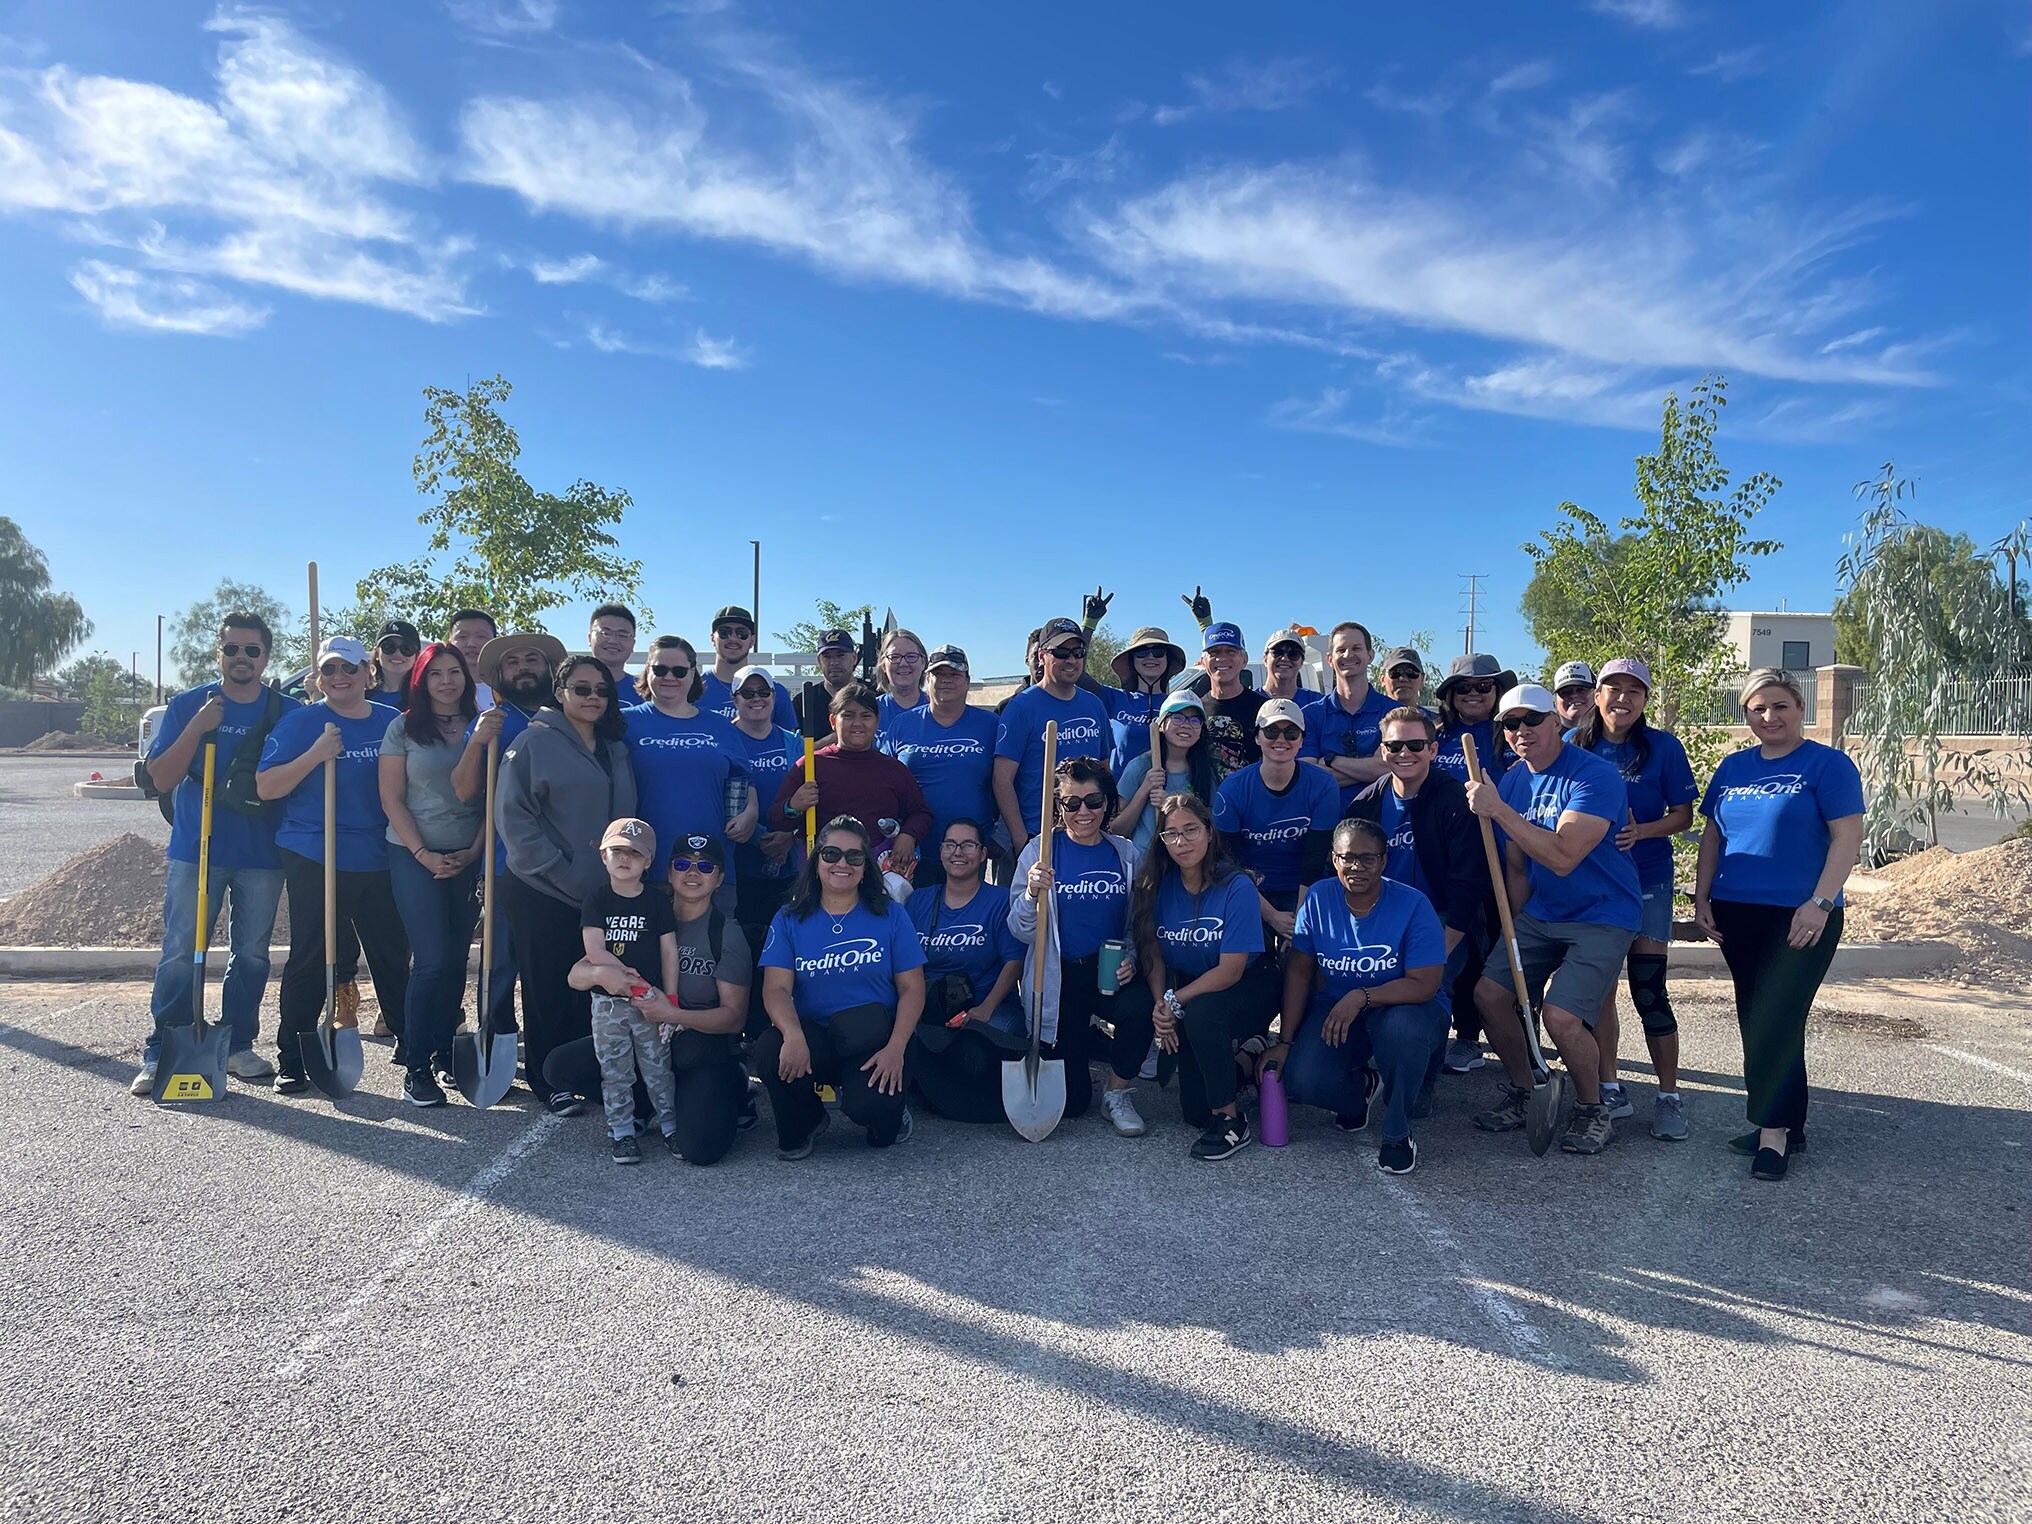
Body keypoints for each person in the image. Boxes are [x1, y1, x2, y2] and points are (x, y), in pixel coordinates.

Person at [1695, 668, 1865, 1182]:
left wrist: (1820, 901)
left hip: (1800, 914)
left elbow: (1846, 840)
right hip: (1736, 909)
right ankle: (1790, 1121)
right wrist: (1701, 896)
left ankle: (1772, 1135)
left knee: (1775, 1015)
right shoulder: (1732, 767)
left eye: (1780, 706)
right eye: (1757, 709)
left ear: (1800, 708)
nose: (1769, 717)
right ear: (1746, 714)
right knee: (1759, 1015)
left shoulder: (1827, 765)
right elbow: (1713, 837)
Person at [1464, 682, 1643, 1157]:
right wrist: (1515, 927)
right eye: (1510, 723)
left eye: (1532, 720)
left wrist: (1498, 810)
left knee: (1561, 1018)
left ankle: (1592, 1108)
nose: (1521, 731)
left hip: (1603, 914)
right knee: (1490, 994)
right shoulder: (1514, 781)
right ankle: (1528, 1088)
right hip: (1542, 913)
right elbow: (1519, 867)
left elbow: (1564, 856)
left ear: (1556, 722)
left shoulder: (1595, 776)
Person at [131, 612, 300, 1095]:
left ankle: (238, 1043)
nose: (242, 658)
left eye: (252, 650)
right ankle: (163, 1048)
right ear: (218, 653)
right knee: (181, 952)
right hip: (196, 849)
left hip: (262, 853)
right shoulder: (189, 705)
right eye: (232, 649)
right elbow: (160, 779)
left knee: (250, 954)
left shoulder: (286, 711)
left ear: (267, 656)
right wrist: (198, 727)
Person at [257, 636, 412, 1094]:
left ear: (369, 672)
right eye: (329, 670)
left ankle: (415, 1049)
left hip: (380, 854)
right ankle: (294, 1054)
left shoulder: (392, 722)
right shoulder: (301, 723)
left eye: (349, 668)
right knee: (313, 953)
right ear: (318, 677)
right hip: (315, 851)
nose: (339, 677)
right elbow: (267, 787)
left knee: (390, 953)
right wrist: (315, 755)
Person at [545, 832, 753, 1165]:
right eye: (683, 864)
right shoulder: (641, 909)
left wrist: (670, 1013)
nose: (693, 873)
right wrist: (601, 975)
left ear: (720, 879)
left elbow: (734, 1018)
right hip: (637, 1027)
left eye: (705, 867)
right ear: (668, 873)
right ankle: (639, 1104)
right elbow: (576, 974)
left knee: (701, 1149)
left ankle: (733, 1089)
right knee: (559, 1067)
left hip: (696, 1044)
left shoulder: (725, 932)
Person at [1267, 817, 1450, 1175]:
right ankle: (1359, 1092)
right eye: (1347, 857)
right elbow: (1300, 971)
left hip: (1405, 1005)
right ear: (1334, 859)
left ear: (1384, 861)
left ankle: (1397, 1134)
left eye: (1368, 858)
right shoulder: (1319, 897)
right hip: (1337, 1006)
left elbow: (1425, 983)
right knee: (1303, 1079)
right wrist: (1285, 1041)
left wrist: (1361, 996)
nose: (1356, 867)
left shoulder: (1413, 904)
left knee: (1402, 1033)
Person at [496, 654, 637, 1114]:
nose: (593, 697)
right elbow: (513, 818)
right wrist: (563, 871)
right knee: (547, 987)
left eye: (601, 690)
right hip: (543, 888)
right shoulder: (532, 742)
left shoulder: (614, 745)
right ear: (560, 693)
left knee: (596, 988)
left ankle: (587, 1073)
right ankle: (547, 1079)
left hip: (601, 892)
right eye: (582, 689)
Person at [1570, 658, 1699, 1140]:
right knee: (1599, 991)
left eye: (1634, 691)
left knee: (1649, 990)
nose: (1622, 699)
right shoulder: (1572, 745)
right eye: (1612, 688)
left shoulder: (1664, 748)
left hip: (1646, 878)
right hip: (1591, 885)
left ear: (1645, 699)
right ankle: (1610, 1086)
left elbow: (1683, 816)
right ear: (1596, 694)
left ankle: (1668, 1097)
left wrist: (1640, 831)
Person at [755, 816, 925, 1156]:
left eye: (854, 856)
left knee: (872, 1116)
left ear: (866, 867)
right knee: (768, 1049)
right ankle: (809, 1119)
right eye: (831, 854)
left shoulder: (890, 915)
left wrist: (897, 1048)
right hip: (814, 1035)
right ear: (816, 860)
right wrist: (791, 1034)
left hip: (874, 1038)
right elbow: (775, 989)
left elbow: (913, 989)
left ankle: (893, 1111)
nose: (841, 864)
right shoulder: (789, 917)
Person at [1346, 706, 1487, 1110]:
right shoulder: (1364, 806)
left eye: (1415, 744)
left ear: (1433, 749)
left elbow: (1467, 886)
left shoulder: (1457, 800)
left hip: (1441, 920)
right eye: (1394, 745)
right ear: (1383, 750)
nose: (1404, 752)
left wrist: (1437, 951)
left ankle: (1420, 1077)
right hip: (1379, 921)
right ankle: (1357, 1067)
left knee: (1427, 989)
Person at [1008, 757, 1147, 1134]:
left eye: (1093, 801)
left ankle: (1117, 1091)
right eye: (1071, 803)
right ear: (1058, 806)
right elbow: (1020, 931)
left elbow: (1138, 923)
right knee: (1072, 1106)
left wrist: (1132, 958)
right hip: (1059, 978)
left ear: (1108, 804)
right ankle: (1083, 1045)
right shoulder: (1039, 852)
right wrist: (1031, 896)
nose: (1082, 812)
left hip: (1107, 971)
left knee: (1141, 1006)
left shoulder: (1125, 854)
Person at [1133, 794, 1273, 1160]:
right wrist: (1160, 1003)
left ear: (1209, 832)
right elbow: (1154, 954)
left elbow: (1231, 970)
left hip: (1249, 984)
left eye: (1191, 830)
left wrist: (1176, 1002)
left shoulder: (1237, 886)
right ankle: (1247, 1060)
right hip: (1195, 989)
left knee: (1202, 1013)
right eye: (1171, 834)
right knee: (1195, 1113)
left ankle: (1232, 1122)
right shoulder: (1158, 885)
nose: (1181, 842)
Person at [379, 642, 484, 1107]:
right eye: (435, 673)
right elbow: (392, 799)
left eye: (454, 671)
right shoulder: (402, 728)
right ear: (420, 680)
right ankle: (416, 1066)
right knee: (433, 959)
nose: (446, 680)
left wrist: (472, 852)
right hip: (412, 853)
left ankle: (445, 1048)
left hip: (468, 854)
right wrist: (422, 853)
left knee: (457, 957)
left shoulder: (483, 726)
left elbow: (494, 798)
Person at [453, 631, 567, 1043]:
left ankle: (553, 1048)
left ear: (549, 669)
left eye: (531, 660)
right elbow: (465, 790)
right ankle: (495, 1038)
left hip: (566, 864)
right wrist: (478, 741)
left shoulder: (571, 716)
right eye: (513, 661)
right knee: (499, 964)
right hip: (506, 863)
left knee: (556, 964)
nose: (523, 667)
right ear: (500, 673)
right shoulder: (493, 723)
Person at [567, 818, 682, 1164]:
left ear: (648, 862)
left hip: (651, 1002)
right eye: (617, 850)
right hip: (609, 1005)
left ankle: (672, 1127)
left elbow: (668, 951)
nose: (625, 858)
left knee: (658, 1068)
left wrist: (670, 1000)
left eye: (635, 853)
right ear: (604, 856)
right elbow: (595, 951)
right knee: (615, 1071)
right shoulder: (597, 900)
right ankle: (621, 1132)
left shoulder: (658, 901)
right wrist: (625, 980)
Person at [903, 818, 1029, 1123]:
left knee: (972, 1053)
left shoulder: (1001, 901)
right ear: (941, 850)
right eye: (950, 844)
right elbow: (903, 964)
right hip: (931, 1008)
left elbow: (1015, 962)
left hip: (989, 1009)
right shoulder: (918, 900)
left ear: (983, 853)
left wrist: (985, 1009)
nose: (958, 852)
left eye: (968, 845)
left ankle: (937, 1086)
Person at [623, 634, 754, 892]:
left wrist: (751, 814)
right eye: (660, 669)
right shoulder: (624, 723)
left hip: (710, 868)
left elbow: (743, 780)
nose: (669, 677)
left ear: (693, 674)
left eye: (680, 670)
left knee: (716, 933)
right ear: (648, 671)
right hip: (645, 869)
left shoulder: (720, 726)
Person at [770, 682, 932, 880]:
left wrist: (909, 835)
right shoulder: (811, 765)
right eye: (848, 715)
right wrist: (793, 806)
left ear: (877, 721)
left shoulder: (893, 769)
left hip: (876, 875)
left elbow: (921, 813)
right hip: (822, 875)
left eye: (866, 716)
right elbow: (777, 818)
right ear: (833, 721)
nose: (857, 723)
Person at [1212, 698, 1339, 939]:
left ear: (1302, 740)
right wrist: (1271, 916)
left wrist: (1297, 922)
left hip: (1302, 888)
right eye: (1271, 731)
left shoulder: (1323, 785)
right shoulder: (1233, 789)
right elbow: (1225, 859)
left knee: (1303, 951)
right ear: (1257, 737)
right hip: (1247, 887)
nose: (1281, 740)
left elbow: (1315, 859)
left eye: (1291, 733)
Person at [992, 617, 1112, 856]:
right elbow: (1002, 780)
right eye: (1060, 652)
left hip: (1086, 834)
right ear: (1041, 657)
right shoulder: (1021, 708)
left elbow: (1104, 770)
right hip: (1039, 837)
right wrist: (1020, 839)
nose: (1071, 660)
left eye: (1078, 652)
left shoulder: (1094, 705)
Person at [885, 645, 998, 887]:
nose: (946, 681)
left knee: (965, 920)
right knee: (916, 919)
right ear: (927, 680)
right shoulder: (903, 724)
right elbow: (883, 784)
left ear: (967, 681)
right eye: (939, 675)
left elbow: (1007, 780)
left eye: (954, 675)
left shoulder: (991, 725)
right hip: (913, 850)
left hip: (970, 852)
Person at [721, 663, 804, 971]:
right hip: (737, 865)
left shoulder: (793, 743)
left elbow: (808, 797)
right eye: (747, 693)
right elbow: (718, 797)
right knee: (740, 953)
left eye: (763, 692)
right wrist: (762, 838)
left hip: (787, 865)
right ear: (735, 698)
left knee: (782, 951)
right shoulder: (723, 740)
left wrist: (789, 836)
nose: (756, 699)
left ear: (774, 696)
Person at [1303, 622, 1398, 810]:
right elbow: (1309, 777)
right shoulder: (1310, 715)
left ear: (1370, 656)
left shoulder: (1394, 713)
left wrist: (1331, 760)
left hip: (1381, 820)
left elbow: (1389, 768)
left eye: (1356, 648)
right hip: (1327, 820)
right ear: (1330, 659)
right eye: (1341, 650)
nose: (1348, 655)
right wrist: (1371, 767)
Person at [1114, 689, 1218, 855]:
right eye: (1177, 717)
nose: (1186, 725)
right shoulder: (1140, 767)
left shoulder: (1206, 772)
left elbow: (1212, 826)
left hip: (1186, 868)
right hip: (1145, 870)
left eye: (1195, 720)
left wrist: (1173, 806)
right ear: (1160, 724)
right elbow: (1116, 830)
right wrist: (1144, 789)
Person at [1090, 621, 1188, 776]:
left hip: (1165, 796)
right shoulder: (1115, 698)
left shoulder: (1178, 704)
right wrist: (1090, 623)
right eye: (1141, 652)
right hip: (1120, 796)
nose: (1150, 657)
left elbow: (1216, 677)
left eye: (1158, 652)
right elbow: (1076, 674)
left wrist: (1205, 624)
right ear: (1131, 660)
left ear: (1167, 659)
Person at [698, 605, 797, 728]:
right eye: (724, 633)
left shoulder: (774, 692)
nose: (733, 638)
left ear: (752, 641)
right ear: (712, 638)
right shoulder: (694, 690)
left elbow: (788, 744)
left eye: (742, 633)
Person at [1195, 622, 1267, 779]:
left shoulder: (1264, 709)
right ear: (1203, 661)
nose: (1222, 658)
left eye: (1231, 652)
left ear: (1244, 659)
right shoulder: (1195, 709)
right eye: (1214, 652)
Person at [1430, 654, 1516, 785]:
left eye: (1483, 686)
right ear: (1451, 693)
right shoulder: (1433, 734)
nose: (1473, 693)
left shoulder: (1515, 733)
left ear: (1498, 691)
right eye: (1463, 687)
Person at [792, 628, 859, 727]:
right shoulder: (803, 702)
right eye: (827, 657)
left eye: (840, 655)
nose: (834, 662)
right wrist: (840, 735)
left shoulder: (873, 696)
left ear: (854, 658)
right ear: (819, 661)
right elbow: (796, 742)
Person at [874, 628, 930, 740]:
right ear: (883, 664)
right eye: (894, 657)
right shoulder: (870, 709)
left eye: (911, 656)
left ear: (923, 662)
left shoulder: (938, 710)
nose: (903, 663)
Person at [588, 604, 642, 706]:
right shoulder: (570, 687)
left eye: (622, 635)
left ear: (633, 644)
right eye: (605, 633)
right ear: (590, 638)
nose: (613, 641)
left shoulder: (644, 690)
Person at [446, 609, 497, 708]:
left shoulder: (508, 689)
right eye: (462, 637)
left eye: (481, 636)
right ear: (450, 642)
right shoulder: (440, 689)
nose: (471, 644)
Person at [1259, 628, 1320, 707]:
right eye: (1277, 652)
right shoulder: (1249, 701)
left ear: (1301, 662)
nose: (1285, 658)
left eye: (1293, 654)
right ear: (1265, 659)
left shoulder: (1317, 703)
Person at [370, 619, 421, 705]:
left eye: (407, 649)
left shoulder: (425, 697)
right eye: (389, 647)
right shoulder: (359, 694)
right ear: (377, 653)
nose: (397, 653)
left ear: (417, 656)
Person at [1378, 647, 1431, 712]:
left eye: (1411, 673)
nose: (1403, 679)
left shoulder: (1437, 721)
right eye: (1396, 672)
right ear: (1382, 679)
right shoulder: (1366, 719)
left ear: (1422, 679)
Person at [1552, 661, 1596, 729]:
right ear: (1556, 701)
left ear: (1597, 694)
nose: (1574, 695)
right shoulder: (1544, 737)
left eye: (1581, 689)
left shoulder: (1615, 734)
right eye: (1565, 692)